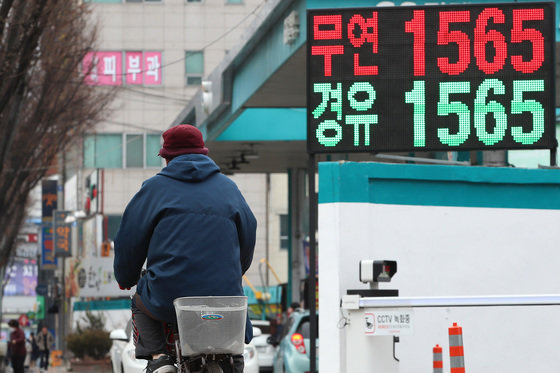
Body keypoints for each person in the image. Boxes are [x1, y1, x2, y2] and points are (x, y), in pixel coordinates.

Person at [114, 124, 257, 373]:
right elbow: (249, 233)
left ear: (166, 157)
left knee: (139, 301)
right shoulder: (229, 189)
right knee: (231, 322)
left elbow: (129, 240)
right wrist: (235, 270)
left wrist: (126, 277)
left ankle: (159, 359)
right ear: (204, 153)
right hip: (224, 297)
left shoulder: (154, 189)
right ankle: (232, 361)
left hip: (168, 295)